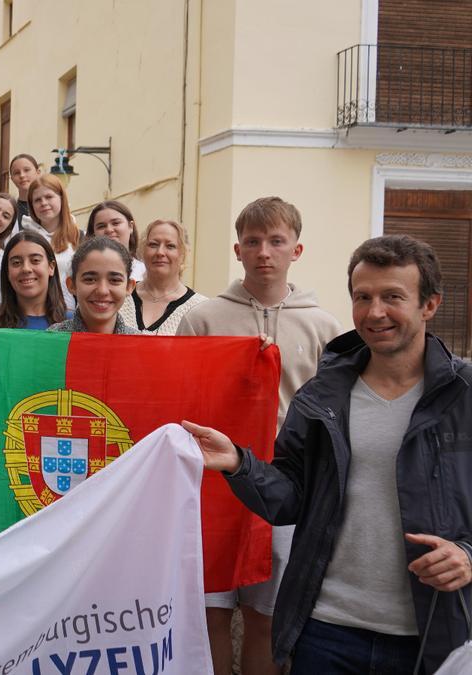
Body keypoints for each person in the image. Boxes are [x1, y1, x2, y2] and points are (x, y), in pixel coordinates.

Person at [183, 234, 472, 674]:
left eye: (392, 296)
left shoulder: (464, 395)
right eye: (363, 297)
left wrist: (468, 554)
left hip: (433, 636)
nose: (375, 312)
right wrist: (239, 464)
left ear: (429, 305)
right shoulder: (323, 394)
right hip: (326, 631)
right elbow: (290, 498)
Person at [177, 196, 342, 675]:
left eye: (276, 241)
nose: (264, 251)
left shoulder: (323, 326)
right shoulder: (203, 319)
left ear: (298, 249)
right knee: (211, 612)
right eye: (253, 242)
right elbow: (184, 395)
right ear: (237, 249)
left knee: (266, 617)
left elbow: (331, 412)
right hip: (214, 488)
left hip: (285, 488)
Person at [119, 219, 207, 335]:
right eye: (153, 245)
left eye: (170, 246)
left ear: (182, 254)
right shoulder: (121, 297)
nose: (160, 252)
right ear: (143, 251)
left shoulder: (199, 308)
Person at [48, 237, 138, 334]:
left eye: (114, 280)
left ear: (129, 287)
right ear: (72, 285)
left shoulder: (141, 344)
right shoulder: (51, 340)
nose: (102, 291)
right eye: (90, 279)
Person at [0, 230, 70, 330]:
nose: (26, 269)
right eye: (16, 262)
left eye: (35, 260)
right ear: (7, 271)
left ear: (51, 267)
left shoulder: (74, 325)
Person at [24, 174, 79, 308]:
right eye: (37, 200)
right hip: (33, 311)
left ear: (61, 198)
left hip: (69, 312)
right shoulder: (24, 239)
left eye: (49, 197)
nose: (43, 203)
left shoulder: (79, 236)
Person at [88, 200, 144, 281]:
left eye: (116, 223)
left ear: (131, 226)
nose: (109, 230)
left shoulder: (146, 272)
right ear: (93, 233)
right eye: (101, 226)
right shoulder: (84, 271)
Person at [8, 153, 41, 222]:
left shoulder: (49, 206)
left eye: (26, 170)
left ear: (38, 172)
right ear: (12, 179)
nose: (22, 175)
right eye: (16, 173)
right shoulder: (10, 211)